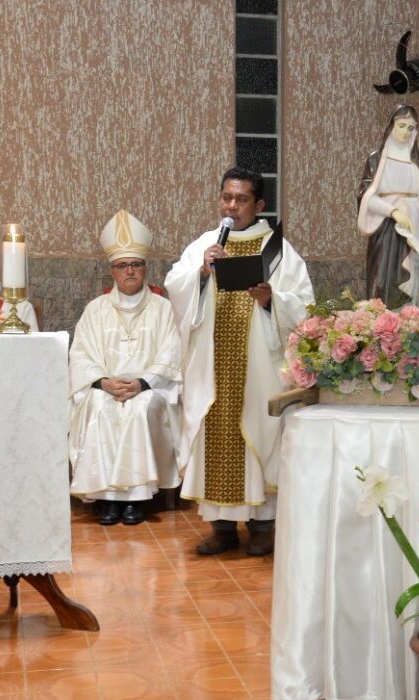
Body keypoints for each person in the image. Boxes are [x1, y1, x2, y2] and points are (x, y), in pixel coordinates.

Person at [165, 167, 314, 556]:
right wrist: (200, 273)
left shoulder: (279, 250)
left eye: (241, 199)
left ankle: (263, 525)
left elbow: (304, 306)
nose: (231, 206)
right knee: (215, 435)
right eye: (226, 197)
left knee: (260, 436)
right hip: (212, 366)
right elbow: (174, 288)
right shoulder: (206, 243)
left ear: (259, 204)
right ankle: (222, 526)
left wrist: (270, 303)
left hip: (261, 366)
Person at [68, 210, 182, 527]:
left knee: (139, 410)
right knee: (100, 409)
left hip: (148, 389)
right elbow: (81, 355)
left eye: (136, 264)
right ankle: (107, 498)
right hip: (107, 388)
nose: (130, 271)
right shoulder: (95, 309)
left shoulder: (163, 308)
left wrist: (143, 383)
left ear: (145, 268)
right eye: (122, 265)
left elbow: (172, 353)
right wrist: (102, 383)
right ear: (112, 272)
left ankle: (136, 499)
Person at [357, 104, 419, 307]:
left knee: (416, 288)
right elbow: (365, 196)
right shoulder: (376, 159)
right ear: (391, 126)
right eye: (401, 125)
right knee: (384, 282)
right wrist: (393, 211)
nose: (405, 132)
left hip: (417, 232)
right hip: (386, 233)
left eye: (410, 128)